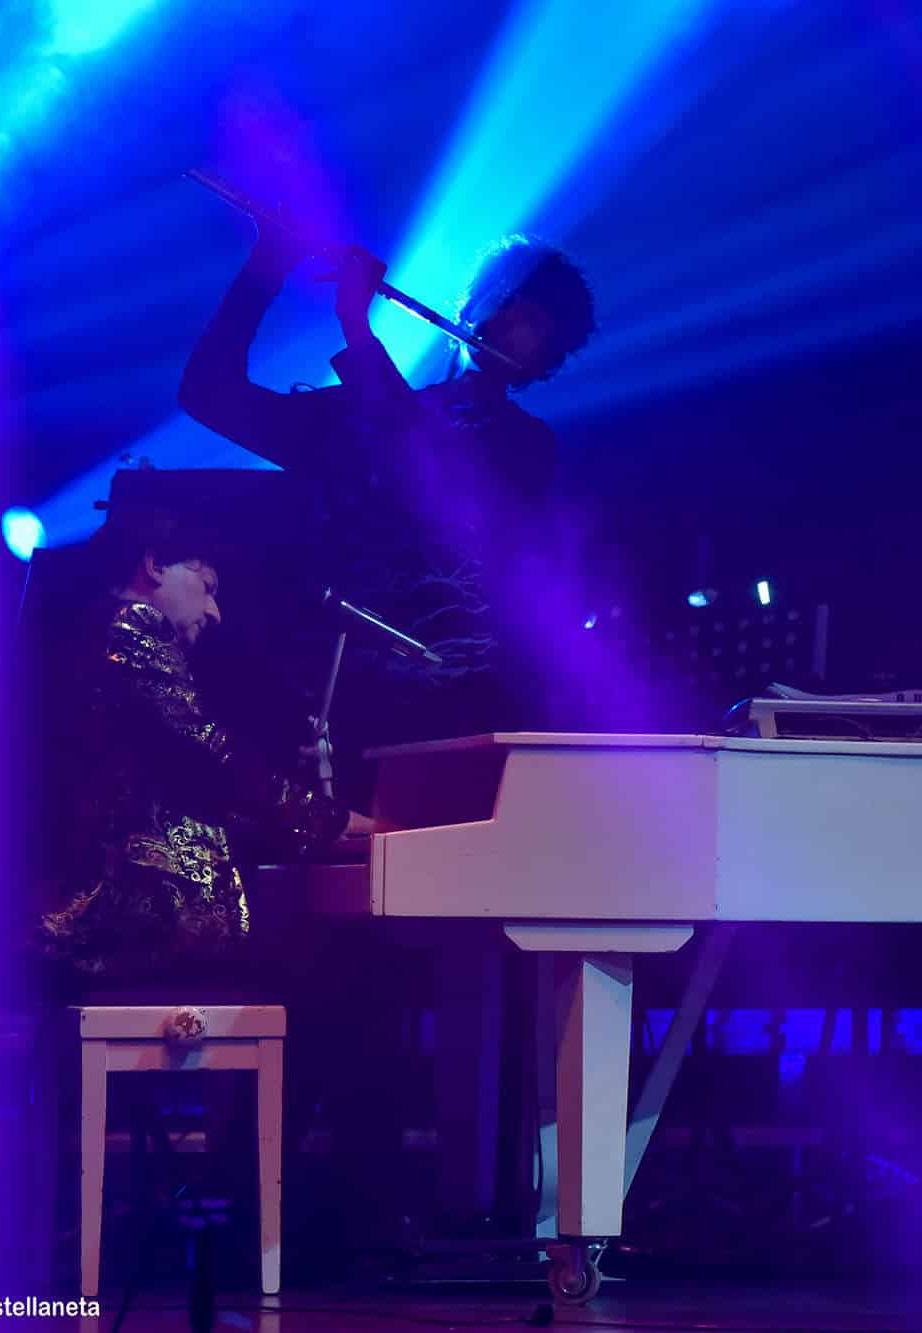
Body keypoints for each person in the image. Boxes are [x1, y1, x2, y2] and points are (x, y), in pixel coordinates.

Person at [177, 219, 597, 769]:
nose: (506, 315)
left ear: (549, 356)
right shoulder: (360, 414)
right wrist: (267, 265)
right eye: (503, 293)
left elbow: (421, 465)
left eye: (532, 317)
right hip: (321, 699)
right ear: (471, 302)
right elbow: (209, 394)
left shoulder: (525, 447)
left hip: (447, 710)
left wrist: (357, 326)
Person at [34, 506, 371, 999]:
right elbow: (206, 752)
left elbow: (181, 770)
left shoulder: (90, 633)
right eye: (208, 586)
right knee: (324, 973)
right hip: (126, 912)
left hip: (100, 903)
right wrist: (323, 817)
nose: (216, 612)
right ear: (154, 565)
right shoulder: (131, 625)